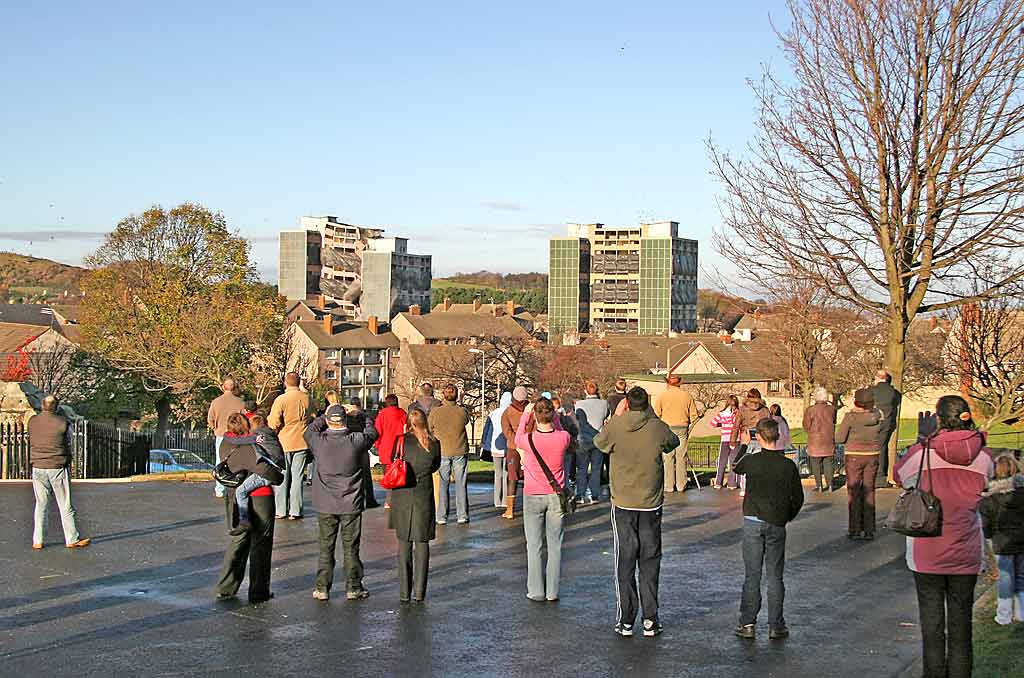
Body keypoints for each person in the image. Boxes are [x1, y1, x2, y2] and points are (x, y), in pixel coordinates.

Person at [894, 395, 994, 678]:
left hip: (927, 551)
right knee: (962, 625)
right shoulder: (983, 457)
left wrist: (920, 442)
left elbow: (898, 475)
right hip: (966, 550)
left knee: (932, 624)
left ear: (937, 419)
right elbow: (989, 482)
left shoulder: (922, 454)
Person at [594, 387, 680, 638]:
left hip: (623, 501)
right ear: (647, 405)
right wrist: (651, 415)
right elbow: (672, 442)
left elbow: (600, 443)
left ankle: (626, 619)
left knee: (625, 559)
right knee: (650, 560)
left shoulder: (617, 427)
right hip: (650, 502)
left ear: (627, 404)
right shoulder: (656, 427)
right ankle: (650, 619)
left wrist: (617, 417)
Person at [733, 417, 804, 640]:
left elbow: (736, 466)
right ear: (778, 436)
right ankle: (776, 624)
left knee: (752, 574)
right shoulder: (787, 465)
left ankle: (747, 623)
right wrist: (787, 516)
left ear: (760, 437)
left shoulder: (753, 461)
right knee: (775, 575)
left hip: (753, 520)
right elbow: (798, 498)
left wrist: (744, 444)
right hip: (776, 522)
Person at [305, 404, 379, 601]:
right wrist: (359, 414)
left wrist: (325, 413)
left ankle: (322, 587)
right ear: (345, 421)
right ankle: (353, 586)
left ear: (329, 421)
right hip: (350, 502)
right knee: (351, 547)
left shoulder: (319, 441)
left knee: (325, 547)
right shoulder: (355, 441)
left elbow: (310, 429)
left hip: (325, 503)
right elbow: (372, 431)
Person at [214, 413, 284, 604]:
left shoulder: (225, 444)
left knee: (239, 540)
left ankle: (226, 587)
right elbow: (266, 469)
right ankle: (258, 591)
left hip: (234, 495)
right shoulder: (252, 444)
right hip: (260, 496)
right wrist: (279, 477)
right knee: (261, 543)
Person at [516, 398, 571, 602]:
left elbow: (517, 438)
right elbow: (559, 429)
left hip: (533, 494)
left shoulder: (527, 440)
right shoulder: (563, 437)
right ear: (552, 414)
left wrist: (526, 415)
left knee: (534, 545)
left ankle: (536, 590)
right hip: (556, 496)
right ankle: (552, 591)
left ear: (536, 416)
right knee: (555, 545)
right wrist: (555, 416)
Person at [388, 408, 442, 603]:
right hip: (423, 493)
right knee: (422, 544)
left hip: (403, 493)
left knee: (403, 545)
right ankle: (419, 592)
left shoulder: (401, 440)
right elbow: (435, 465)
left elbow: (393, 458)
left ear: (408, 422)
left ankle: (404, 593)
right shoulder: (434, 443)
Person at [29, 395, 90, 550]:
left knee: (41, 504)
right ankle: (71, 539)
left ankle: (38, 540)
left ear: (42, 406)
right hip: (57, 466)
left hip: (38, 467)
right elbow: (69, 441)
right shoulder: (62, 423)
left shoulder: (32, 422)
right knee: (65, 505)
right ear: (56, 407)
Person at [979, 454, 1024, 625]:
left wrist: (990, 538)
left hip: (1002, 542)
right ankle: (1021, 613)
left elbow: (986, 524)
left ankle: (1004, 616)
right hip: (1022, 540)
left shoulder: (990, 498)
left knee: (1006, 578)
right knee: (1021, 577)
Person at [836, 389, 882, 540]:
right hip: (873, 454)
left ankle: (854, 529)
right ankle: (869, 529)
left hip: (854, 455)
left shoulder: (851, 417)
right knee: (869, 490)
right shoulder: (878, 415)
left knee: (854, 491)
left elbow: (840, 438)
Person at [230, 415, 286, 535]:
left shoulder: (258, 436)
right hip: (277, 468)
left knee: (240, 491)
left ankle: (244, 520)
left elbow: (237, 441)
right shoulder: (270, 434)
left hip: (268, 472)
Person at [267, 372, 312, 520]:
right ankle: (296, 511)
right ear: (299, 383)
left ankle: (281, 510)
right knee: (298, 478)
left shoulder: (281, 399)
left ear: (285, 383)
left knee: (283, 476)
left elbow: (273, 423)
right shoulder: (307, 398)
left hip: (284, 442)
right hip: (302, 441)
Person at [428, 384, 471, 525]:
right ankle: (462, 515)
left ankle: (441, 516)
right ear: (457, 395)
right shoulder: (462, 411)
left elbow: (429, 428)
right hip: (460, 450)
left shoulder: (435, 412)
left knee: (443, 484)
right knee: (461, 484)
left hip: (443, 451)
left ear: (443, 395)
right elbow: (466, 420)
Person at [653, 375, 700, 493]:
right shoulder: (687, 396)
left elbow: (656, 414)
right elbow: (694, 415)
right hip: (682, 428)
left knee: (668, 458)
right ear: (679, 383)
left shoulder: (663, 396)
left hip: (667, 428)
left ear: (668, 383)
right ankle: (681, 485)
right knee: (681, 457)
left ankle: (669, 486)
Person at [207, 377, 247, 498]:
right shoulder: (240, 402)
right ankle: (236, 485)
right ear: (234, 387)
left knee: (220, 461)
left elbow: (210, 419)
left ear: (223, 387)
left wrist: (215, 428)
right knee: (238, 461)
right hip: (237, 435)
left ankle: (220, 489)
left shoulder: (216, 402)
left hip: (221, 435)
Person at [575, 380, 610, 504]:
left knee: (582, 469)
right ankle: (594, 494)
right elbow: (606, 416)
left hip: (583, 439)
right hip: (598, 439)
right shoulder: (604, 403)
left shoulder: (579, 404)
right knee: (596, 469)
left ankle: (580, 494)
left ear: (585, 390)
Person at [501, 386, 531, 519]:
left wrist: (515, 441)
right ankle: (529, 508)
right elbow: (535, 428)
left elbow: (506, 431)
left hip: (513, 448)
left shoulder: (507, 412)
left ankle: (510, 509)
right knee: (530, 478)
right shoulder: (532, 411)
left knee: (512, 478)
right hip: (529, 448)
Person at [374, 394, 408, 510]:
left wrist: (378, 446)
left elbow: (377, 432)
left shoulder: (382, 414)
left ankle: (389, 500)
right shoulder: (403, 414)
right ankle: (397, 499)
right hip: (400, 447)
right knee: (400, 473)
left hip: (385, 448)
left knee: (388, 475)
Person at [869, 369, 901, 486]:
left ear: (877, 378)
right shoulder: (894, 392)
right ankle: (881, 475)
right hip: (887, 423)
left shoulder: (872, 390)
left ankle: (871, 474)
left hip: (873, 422)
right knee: (882, 448)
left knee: (871, 448)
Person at [345, 398, 379, 509]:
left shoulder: (346, 417)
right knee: (366, 476)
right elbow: (372, 432)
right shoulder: (364, 417)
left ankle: (352, 500)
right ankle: (369, 499)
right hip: (361, 447)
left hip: (348, 447)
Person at [803, 387, 837, 492]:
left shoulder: (810, 410)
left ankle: (819, 485)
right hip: (828, 439)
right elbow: (834, 421)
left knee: (815, 463)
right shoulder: (832, 409)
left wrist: (811, 432)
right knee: (828, 462)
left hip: (815, 440)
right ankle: (830, 484)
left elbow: (806, 425)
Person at [484, 392, 513, 508]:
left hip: (495, 447)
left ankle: (497, 500)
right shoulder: (510, 413)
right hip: (508, 446)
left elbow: (487, 430)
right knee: (507, 474)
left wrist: (484, 443)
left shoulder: (493, 413)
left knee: (498, 474)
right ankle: (506, 501)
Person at [710, 395, 740, 490]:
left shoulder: (722, 413)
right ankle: (732, 483)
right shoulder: (738, 413)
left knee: (722, 461)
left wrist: (722, 424)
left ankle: (718, 482)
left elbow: (713, 423)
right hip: (736, 439)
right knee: (733, 462)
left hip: (725, 439)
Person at [552, 396, 579, 492]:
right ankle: (566, 492)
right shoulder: (567, 417)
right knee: (566, 473)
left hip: (555, 449)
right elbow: (575, 430)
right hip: (566, 447)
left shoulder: (550, 419)